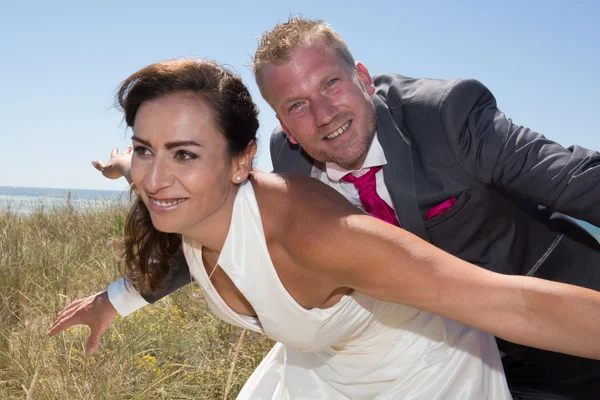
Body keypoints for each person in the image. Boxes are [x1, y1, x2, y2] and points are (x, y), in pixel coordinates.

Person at [48, 57, 600, 399]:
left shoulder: (321, 228)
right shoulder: (204, 191)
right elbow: (192, 216)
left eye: (185, 154)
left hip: (445, 366)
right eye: (147, 149)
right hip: (327, 376)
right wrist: (113, 297)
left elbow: (513, 301)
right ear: (282, 124)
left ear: (241, 162)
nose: (158, 177)